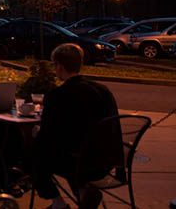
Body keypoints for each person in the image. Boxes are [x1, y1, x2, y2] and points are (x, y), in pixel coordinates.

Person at [34, 44, 120, 209]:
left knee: (34, 154)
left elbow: (47, 137)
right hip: (105, 162)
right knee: (73, 150)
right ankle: (83, 193)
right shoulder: (103, 91)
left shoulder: (57, 96)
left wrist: (37, 133)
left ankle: (58, 204)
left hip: (78, 163)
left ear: (59, 66)